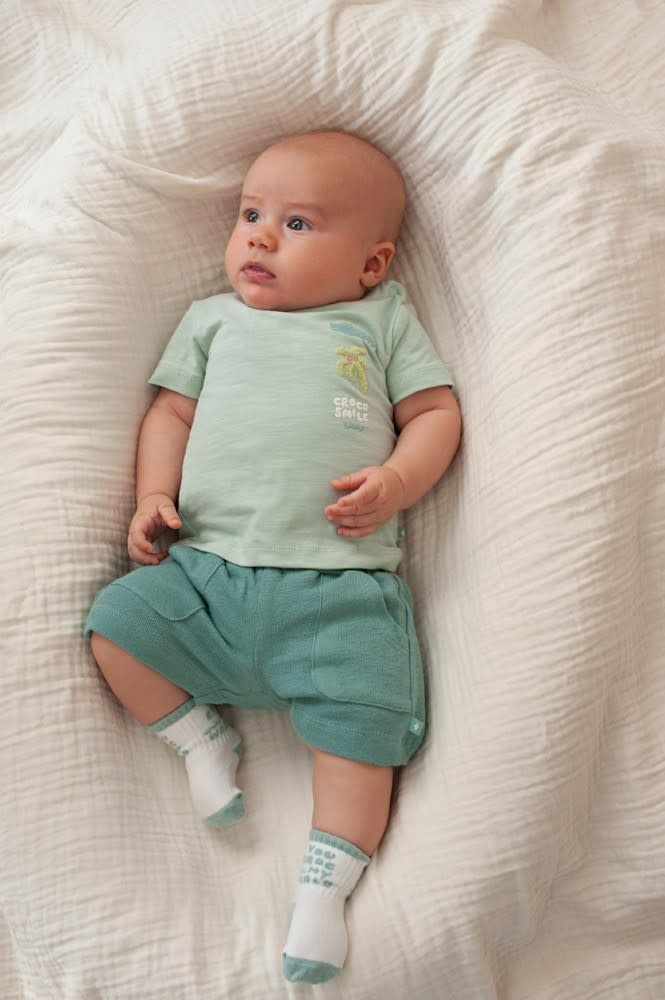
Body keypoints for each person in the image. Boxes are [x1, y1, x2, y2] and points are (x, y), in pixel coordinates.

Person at [85, 129, 461, 984]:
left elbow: (435, 413)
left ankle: (323, 889)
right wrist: (152, 494)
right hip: (207, 576)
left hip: (340, 589)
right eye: (250, 215)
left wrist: (398, 480)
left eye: (297, 224)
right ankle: (198, 738)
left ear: (370, 264)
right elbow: (170, 414)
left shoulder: (381, 319)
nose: (258, 237)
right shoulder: (212, 322)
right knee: (116, 624)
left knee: (366, 724)